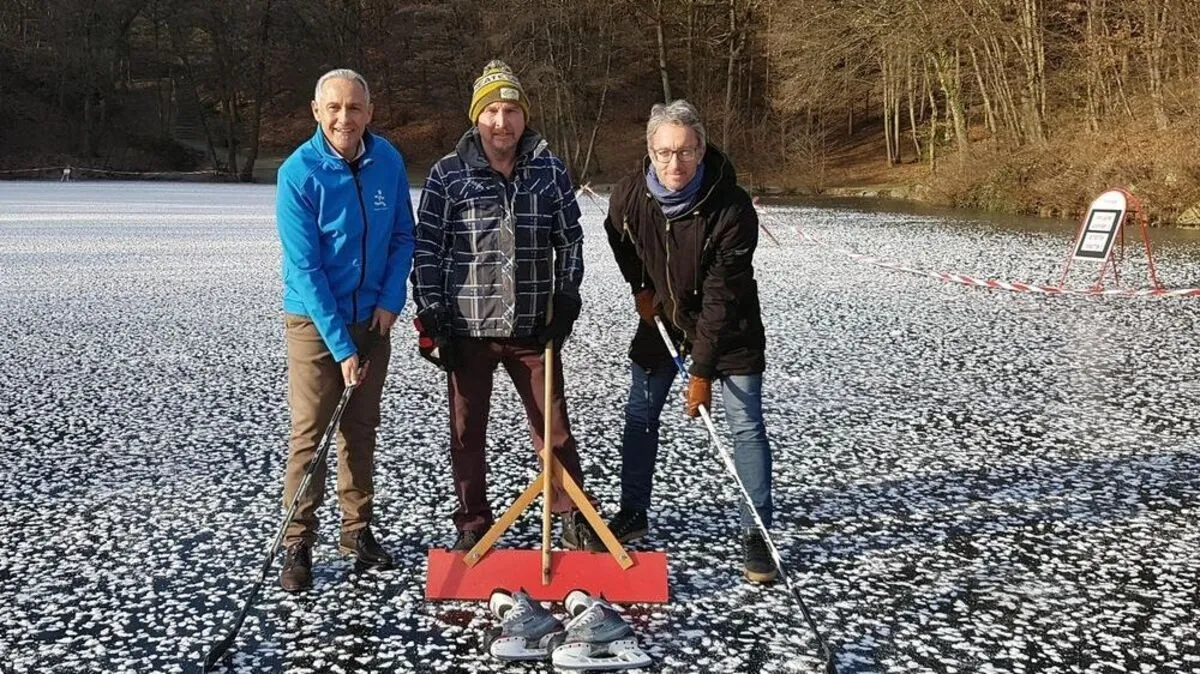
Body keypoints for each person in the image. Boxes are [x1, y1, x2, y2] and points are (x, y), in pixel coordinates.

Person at [411, 60, 599, 552]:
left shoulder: (548, 169)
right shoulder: (448, 175)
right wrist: (432, 313)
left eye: (511, 110)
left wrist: (567, 296)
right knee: (466, 434)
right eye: (492, 110)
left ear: (523, 116)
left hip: (533, 329)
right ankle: (472, 520)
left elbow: (572, 241)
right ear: (478, 117)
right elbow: (426, 247)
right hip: (466, 329)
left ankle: (571, 513)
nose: (502, 121)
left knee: (552, 428)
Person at [602, 99, 778, 583]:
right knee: (640, 416)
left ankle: (757, 532)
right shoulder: (630, 194)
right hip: (663, 321)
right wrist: (640, 285)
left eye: (683, 152)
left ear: (701, 150)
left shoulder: (731, 205)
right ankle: (633, 512)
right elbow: (617, 234)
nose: (673, 164)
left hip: (731, 327)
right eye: (663, 153)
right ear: (650, 152)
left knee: (745, 428)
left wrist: (701, 372)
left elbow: (723, 296)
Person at [274, 68, 415, 592]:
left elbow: (404, 234)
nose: (344, 118)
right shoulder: (298, 174)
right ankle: (297, 540)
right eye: (333, 107)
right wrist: (340, 346)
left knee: (360, 428)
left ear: (369, 113)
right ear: (316, 111)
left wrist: (390, 300)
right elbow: (305, 270)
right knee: (311, 432)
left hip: (373, 316)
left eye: (354, 108)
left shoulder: (389, 162)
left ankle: (356, 531)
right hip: (315, 321)